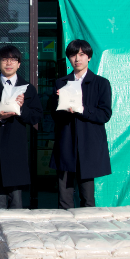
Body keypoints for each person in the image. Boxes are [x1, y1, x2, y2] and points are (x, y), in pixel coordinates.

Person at [0, 45, 43, 209]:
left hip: (16, 146)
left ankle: (15, 226)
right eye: (5, 59)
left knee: (16, 199)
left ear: (19, 64)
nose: (9, 63)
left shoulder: (28, 88)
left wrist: (22, 109)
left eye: (13, 59)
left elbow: (36, 116)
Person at [49, 39, 112, 209]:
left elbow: (105, 114)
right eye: (73, 55)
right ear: (69, 58)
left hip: (89, 143)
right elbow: (53, 114)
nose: (77, 59)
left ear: (89, 57)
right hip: (66, 141)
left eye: (82, 54)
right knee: (64, 197)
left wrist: (82, 109)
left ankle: (88, 226)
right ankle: (65, 225)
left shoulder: (101, 83)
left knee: (87, 197)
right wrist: (59, 102)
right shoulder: (61, 83)